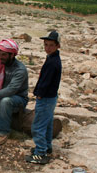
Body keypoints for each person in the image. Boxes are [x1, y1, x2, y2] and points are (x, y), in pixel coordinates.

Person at [26, 30, 62, 164]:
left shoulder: (52, 62)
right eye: (46, 45)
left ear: (58, 46)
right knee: (47, 124)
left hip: (46, 98)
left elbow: (46, 81)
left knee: (38, 126)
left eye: (51, 45)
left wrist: (39, 94)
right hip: (51, 98)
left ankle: (40, 153)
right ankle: (47, 147)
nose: (47, 48)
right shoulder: (53, 58)